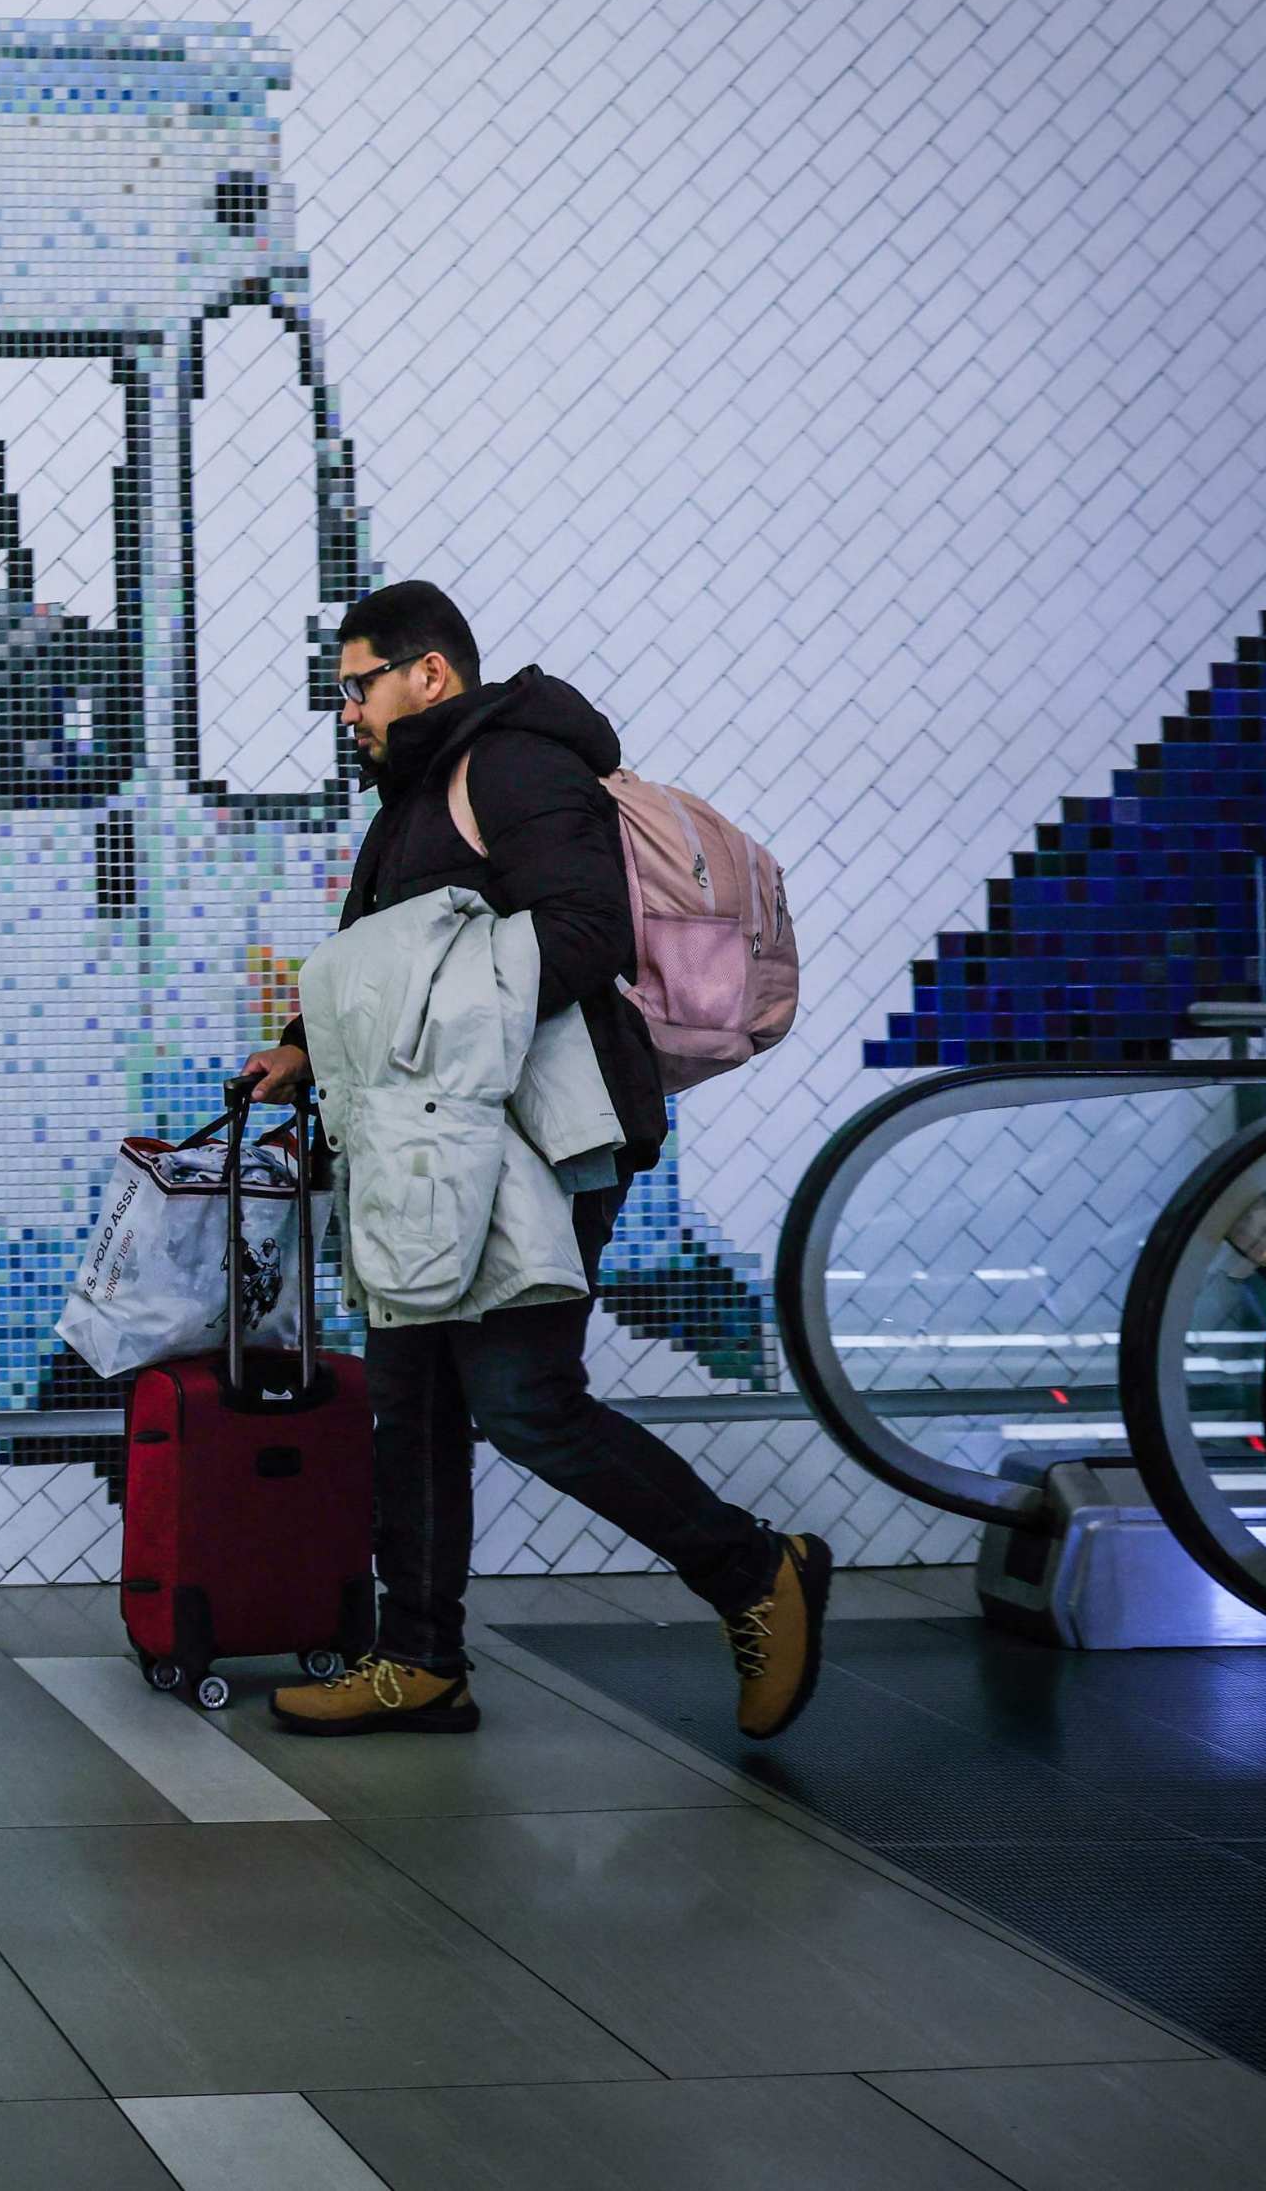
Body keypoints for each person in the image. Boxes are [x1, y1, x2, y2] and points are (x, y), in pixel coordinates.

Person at [242, 584, 829, 1740]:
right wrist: (307, 1049)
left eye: (358, 683)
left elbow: (583, 931)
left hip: (538, 1136)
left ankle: (754, 1571)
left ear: (429, 674)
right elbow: (393, 960)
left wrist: (417, 1041)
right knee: (409, 1399)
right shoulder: (413, 797)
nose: (347, 708)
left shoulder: (511, 767)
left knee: (523, 1398)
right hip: (435, 1140)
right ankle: (417, 1657)